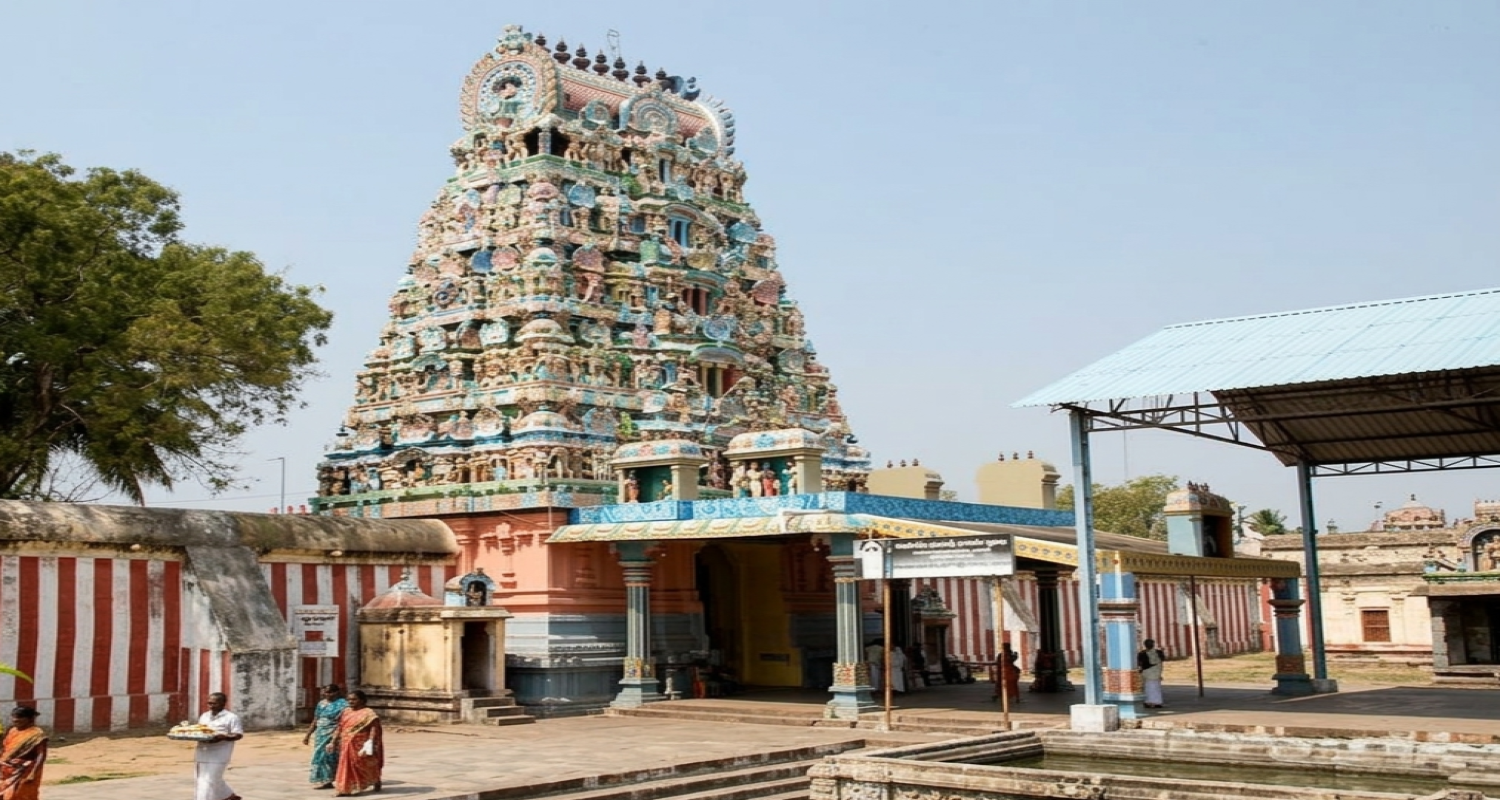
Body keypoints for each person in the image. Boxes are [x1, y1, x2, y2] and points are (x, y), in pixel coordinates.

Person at [331, 690, 383, 797]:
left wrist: (370, 742)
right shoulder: (346, 712)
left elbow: (374, 728)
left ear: (362, 700)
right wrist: (333, 741)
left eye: (354, 699)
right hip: (346, 743)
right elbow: (340, 727)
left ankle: (375, 779)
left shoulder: (368, 713)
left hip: (360, 743)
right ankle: (345, 788)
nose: (351, 702)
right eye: (349, 699)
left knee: (361, 764)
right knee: (345, 765)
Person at [194, 692, 243, 800]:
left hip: (220, 754)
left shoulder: (231, 717)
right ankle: (229, 796)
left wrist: (223, 737)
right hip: (202, 752)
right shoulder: (204, 716)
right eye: (209, 703)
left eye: (214, 704)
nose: (211, 706)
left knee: (209, 780)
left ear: (223, 703)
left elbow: (238, 734)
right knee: (202, 779)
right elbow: (199, 731)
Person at [303, 684, 348, 790]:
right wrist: (308, 735)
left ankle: (340, 779)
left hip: (335, 734)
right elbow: (316, 719)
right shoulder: (321, 704)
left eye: (330, 692)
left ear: (336, 692)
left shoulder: (343, 705)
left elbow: (345, 721)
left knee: (333, 757)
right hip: (320, 733)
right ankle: (325, 780)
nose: (327, 694)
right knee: (320, 757)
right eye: (325, 692)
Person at [1, 706, 47, 800]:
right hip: (6, 769)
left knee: (19, 795)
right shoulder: (12, 731)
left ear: (29, 719)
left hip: (24, 771)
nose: (15, 720)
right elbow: (6, 748)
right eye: (14, 717)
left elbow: (41, 755)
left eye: (19, 717)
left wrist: (33, 773)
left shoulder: (37, 734)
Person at [1138, 638, 1167, 708]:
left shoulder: (1142, 653)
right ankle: (1157, 702)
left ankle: (1149, 702)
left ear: (1145, 645)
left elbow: (1140, 664)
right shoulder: (1159, 652)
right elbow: (1163, 659)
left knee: (1148, 688)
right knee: (1156, 688)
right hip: (1156, 673)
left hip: (1147, 674)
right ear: (1153, 645)